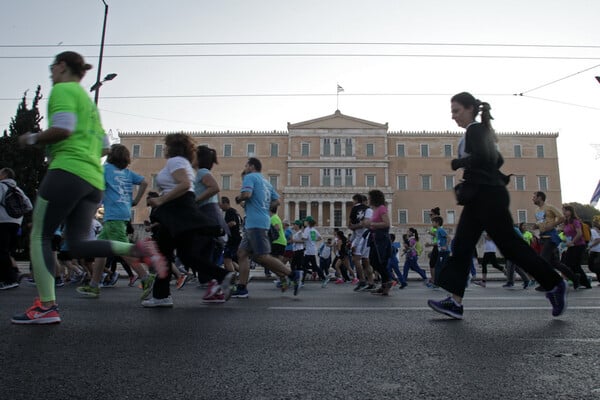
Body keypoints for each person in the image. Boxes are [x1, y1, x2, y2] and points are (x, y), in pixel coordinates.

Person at [12, 51, 166, 324]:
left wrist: (31, 139)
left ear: (61, 66)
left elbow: (63, 128)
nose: (51, 73)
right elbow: (106, 146)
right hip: (92, 180)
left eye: (52, 67)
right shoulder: (88, 103)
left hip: (68, 171)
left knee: (40, 235)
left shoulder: (63, 90)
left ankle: (46, 306)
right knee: (82, 243)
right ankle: (138, 250)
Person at [427, 92, 567, 320]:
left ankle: (554, 283)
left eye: (456, 110)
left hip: (487, 196)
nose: (453, 116)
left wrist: (458, 163)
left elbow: (485, 157)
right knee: (462, 246)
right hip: (481, 196)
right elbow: (497, 160)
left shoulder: (475, 130)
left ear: (470, 108)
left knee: (510, 246)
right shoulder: (479, 131)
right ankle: (455, 302)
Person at [147, 134, 233, 306]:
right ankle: (223, 275)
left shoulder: (175, 161)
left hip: (175, 210)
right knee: (184, 255)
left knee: (167, 255)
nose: (164, 149)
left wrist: (160, 200)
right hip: (179, 210)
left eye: (165, 146)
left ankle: (161, 296)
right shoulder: (184, 163)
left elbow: (185, 184)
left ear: (172, 147)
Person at [76, 144, 152, 298]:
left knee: (122, 249)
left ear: (111, 156)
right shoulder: (127, 173)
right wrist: (136, 200)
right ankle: (94, 285)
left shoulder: (105, 169)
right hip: (123, 212)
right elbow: (144, 182)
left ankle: (146, 278)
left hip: (113, 215)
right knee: (101, 250)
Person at [231, 157, 300, 298]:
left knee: (262, 256)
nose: (245, 167)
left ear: (251, 166)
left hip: (256, 223)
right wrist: (263, 207)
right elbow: (277, 201)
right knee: (242, 254)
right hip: (256, 221)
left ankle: (292, 274)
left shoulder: (249, 177)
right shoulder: (266, 182)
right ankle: (242, 288)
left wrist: (239, 198)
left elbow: (246, 194)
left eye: (246, 165)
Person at [532, 191, 578, 289]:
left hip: (551, 238)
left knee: (543, 261)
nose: (533, 199)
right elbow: (541, 222)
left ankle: (547, 284)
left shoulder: (550, 207)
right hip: (543, 237)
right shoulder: (536, 210)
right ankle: (575, 279)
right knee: (555, 263)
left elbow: (562, 217)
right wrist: (536, 226)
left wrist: (552, 225)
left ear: (540, 198)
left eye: (534, 197)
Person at [0, 168, 32, 290]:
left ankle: (9, 279)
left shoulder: (1, 186)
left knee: (2, 251)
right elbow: (29, 206)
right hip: (16, 223)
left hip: (2, 222)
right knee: (7, 251)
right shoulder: (17, 189)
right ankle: (11, 276)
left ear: (4, 175)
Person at [366, 190, 393, 295]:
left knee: (377, 261)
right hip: (375, 238)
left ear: (374, 198)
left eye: (369, 197)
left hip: (381, 240)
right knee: (375, 261)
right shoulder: (374, 209)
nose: (368, 199)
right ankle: (384, 285)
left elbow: (387, 223)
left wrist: (371, 224)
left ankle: (388, 281)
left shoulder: (381, 208)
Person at [561, 204, 592, 289]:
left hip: (578, 245)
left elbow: (579, 233)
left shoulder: (575, 221)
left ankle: (585, 283)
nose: (564, 212)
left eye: (565, 210)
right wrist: (566, 241)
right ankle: (577, 280)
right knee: (567, 264)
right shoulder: (566, 222)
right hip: (571, 246)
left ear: (570, 212)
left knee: (575, 265)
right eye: (563, 210)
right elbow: (566, 234)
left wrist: (572, 242)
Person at [220, 196, 242, 273]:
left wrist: (222, 228)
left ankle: (232, 278)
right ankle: (243, 274)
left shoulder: (230, 211)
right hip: (237, 238)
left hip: (232, 239)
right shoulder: (236, 212)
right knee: (231, 260)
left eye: (220, 204)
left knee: (226, 259)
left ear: (226, 203)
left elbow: (233, 223)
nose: (220, 206)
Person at [587, 215, 600, 284]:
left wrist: (590, 247)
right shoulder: (593, 230)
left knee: (594, 267)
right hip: (595, 251)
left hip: (596, 251)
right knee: (595, 267)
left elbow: (598, 239)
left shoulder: (592, 231)